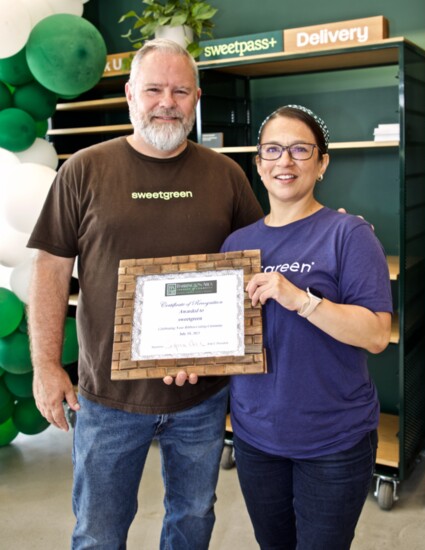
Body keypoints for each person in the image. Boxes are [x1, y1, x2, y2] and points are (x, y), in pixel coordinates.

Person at [27, 39, 263, 549]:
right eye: (154, 88)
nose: (166, 101)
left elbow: (256, 265)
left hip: (201, 397)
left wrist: (326, 228)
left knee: (193, 518)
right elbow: (50, 267)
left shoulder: (225, 176)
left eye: (179, 91)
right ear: (131, 93)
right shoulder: (84, 170)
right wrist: (46, 365)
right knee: (98, 530)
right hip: (108, 399)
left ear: (196, 99)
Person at [220, 105, 393, 550]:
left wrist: (300, 299)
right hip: (256, 437)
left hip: (333, 439)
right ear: (258, 164)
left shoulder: (349, 234)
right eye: (273, 150)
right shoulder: (237, 245)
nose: (286, 161)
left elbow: (375, 334)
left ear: (322, 162)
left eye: (300, 149)